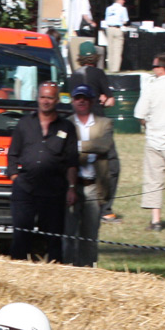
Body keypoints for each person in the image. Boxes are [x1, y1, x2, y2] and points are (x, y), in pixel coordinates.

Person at [3, 81, 78, 263]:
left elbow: (72, 162)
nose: (45, 101)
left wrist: (71, 188)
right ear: (37, 98)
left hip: (53, 190)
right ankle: (17, 274)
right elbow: (12, 154)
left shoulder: (66, 128)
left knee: (53, 238)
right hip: (25, 189)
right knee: (21, 236)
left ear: (57, 100)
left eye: (50, 97)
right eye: (42, 97)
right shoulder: (24, 124)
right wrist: (15, 177)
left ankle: (54, 275)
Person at [68, 85, 116, 267]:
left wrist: (78, 147)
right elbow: (63, 152)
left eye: (85, 98)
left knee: (90, 235)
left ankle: (87, 270)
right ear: (73, 101)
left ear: (92, 101)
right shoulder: (66, 123)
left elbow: (104, 146)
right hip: (71, 186)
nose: (81, 101)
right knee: (67, 233)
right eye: (78, 98)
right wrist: (90, 147)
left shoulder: (105, 123)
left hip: (94, 187)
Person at [136, 53, 165, 225]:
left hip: (155, 139)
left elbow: (140, 113)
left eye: (155, 66)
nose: (153, 69)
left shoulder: (152, 87)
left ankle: (155, 220)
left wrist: (146, 124)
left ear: (162, 68)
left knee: (153, 180)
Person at [66, 0, 95, 66]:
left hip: (77, 25)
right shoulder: (84, 0)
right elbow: (84, 14)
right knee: (87, 45)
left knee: (80, 44)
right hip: (84, 25)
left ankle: (80, 62)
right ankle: (87, 62)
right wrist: (91, 22)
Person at [102, 0, 130, 73]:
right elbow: (125, 20)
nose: (124, 1)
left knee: (110, 49)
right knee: (117, 50)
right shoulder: (122, 9)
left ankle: (110, 68)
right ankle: (115, 69)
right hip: (117, 29)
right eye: (123, 0)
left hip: (109, 28)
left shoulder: (108, 8)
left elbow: (106, 19)